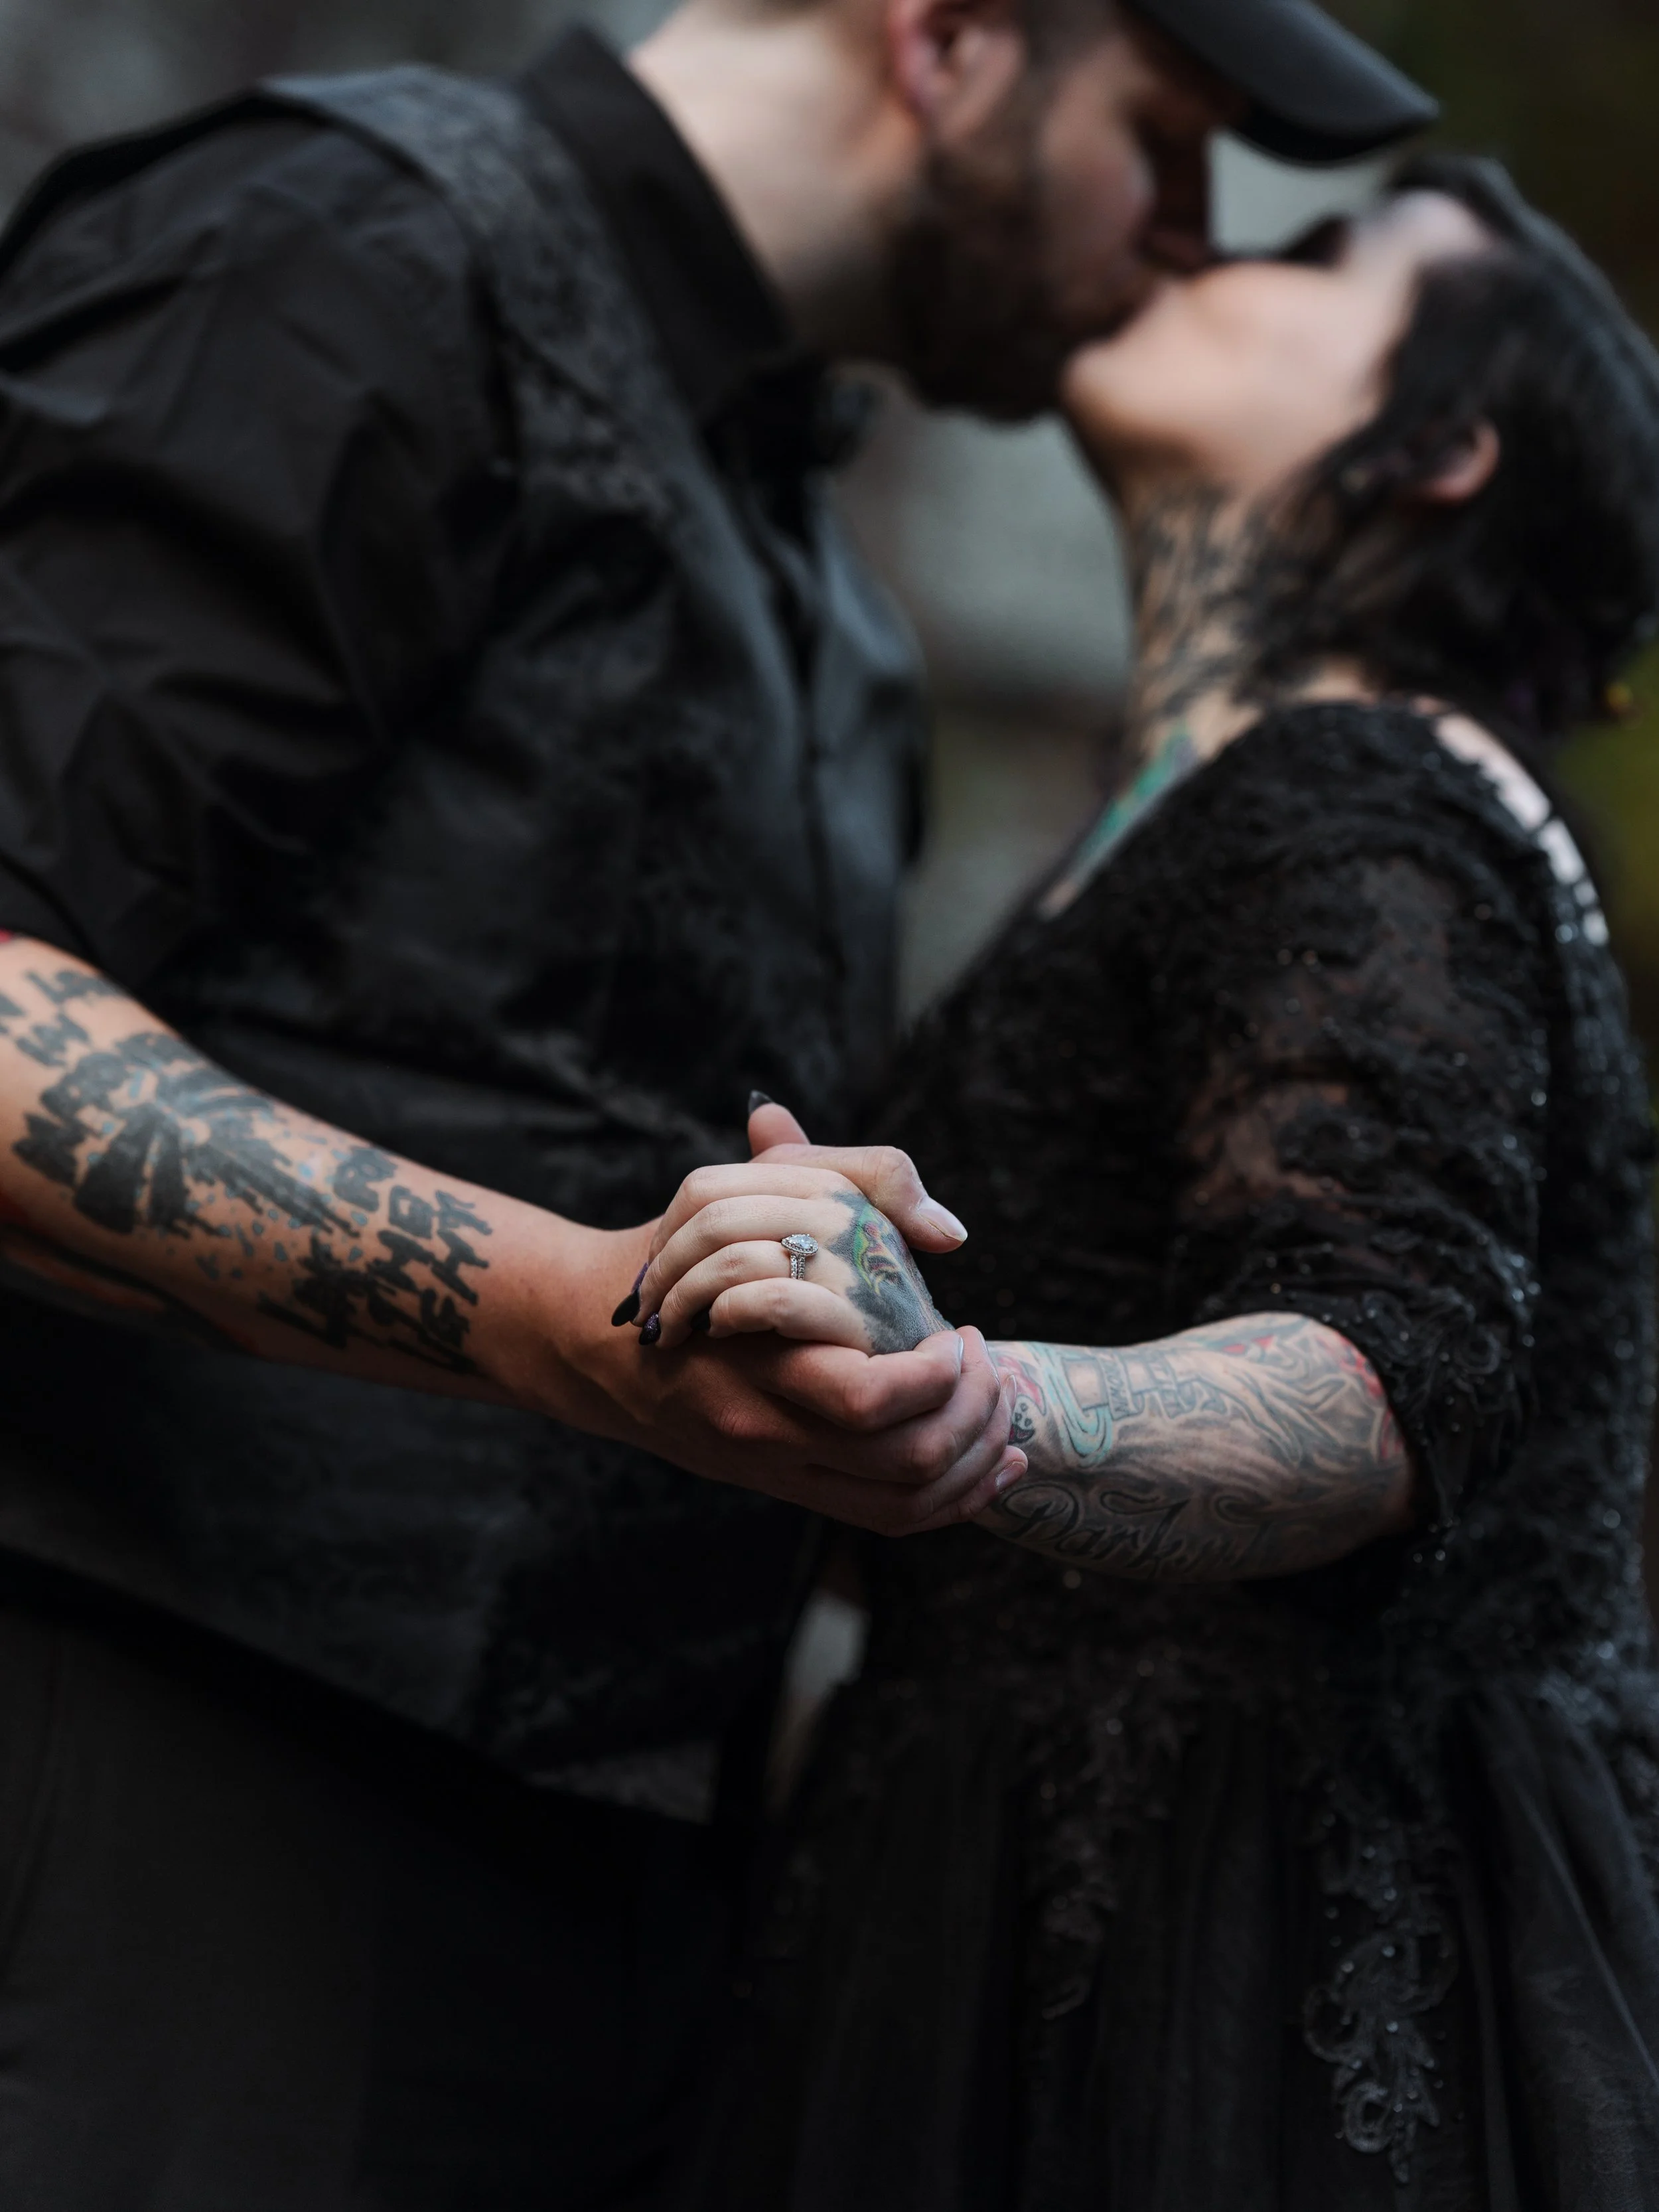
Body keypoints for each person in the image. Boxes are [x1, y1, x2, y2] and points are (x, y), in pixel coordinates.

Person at [0, 0, 1434, 2203]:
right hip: (167, 1830)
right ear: (948, 39)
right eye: (1164, 138)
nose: (1181, 236)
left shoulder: (830, 597)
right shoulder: (349, 253)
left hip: (616, 1937)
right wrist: (577, 1307)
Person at [645, 155, 1659, 2204]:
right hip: (1011, 1896)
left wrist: (985, 1400)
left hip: (1250, 1952)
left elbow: (1384, 1361)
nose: (1202, 241)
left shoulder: (1359, 781)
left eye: (1309, 252)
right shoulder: (1219, 807)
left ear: (1437, 443)